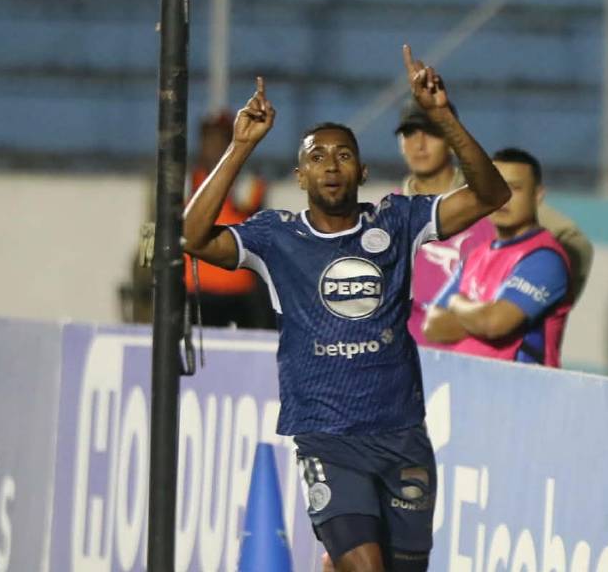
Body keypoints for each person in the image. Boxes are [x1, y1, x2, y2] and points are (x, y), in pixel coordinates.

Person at [182, 45, 510, 572]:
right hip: (327, 438)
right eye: (317, 157)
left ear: (361, 171)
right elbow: (192, 235)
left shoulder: (398, 222)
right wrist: (240, 146)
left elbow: (490, 195)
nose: (330, 166)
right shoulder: (277, 239)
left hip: (401, 435)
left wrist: (443, 117)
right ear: (300, 176)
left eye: (343, 156)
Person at [396, 102, 594, 353]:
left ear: (450, 138)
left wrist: (533, 308)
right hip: (417, 358)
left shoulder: (489, 194)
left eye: (432, 132)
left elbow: (574, 242)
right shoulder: (393, 213)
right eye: (409, 133)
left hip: (490, 356)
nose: (419, 144)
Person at [422, 148, 572, 367]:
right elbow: (433, 327)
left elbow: (493, 324)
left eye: (515, 188)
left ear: (537, 195)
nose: (504, 197)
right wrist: (480, 318)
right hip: (468, 388)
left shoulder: (545, 259)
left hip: (521, 393)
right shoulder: (477, 255)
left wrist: (457, 302)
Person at [185, 110, 270, 329]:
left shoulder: (246, 184)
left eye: (221, 140)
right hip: (192, 291)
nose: (214, 147)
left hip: (238, 294)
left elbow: (256, 220)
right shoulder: (186, 182)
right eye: (209, 140)